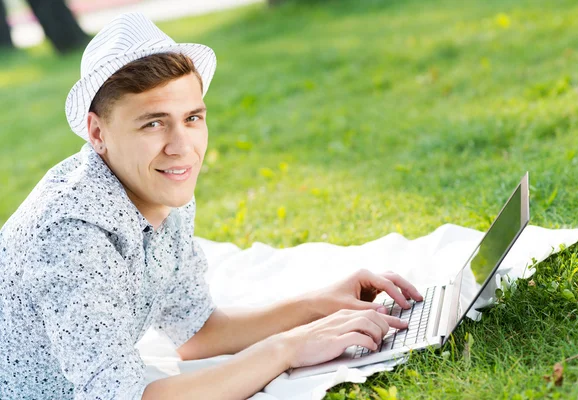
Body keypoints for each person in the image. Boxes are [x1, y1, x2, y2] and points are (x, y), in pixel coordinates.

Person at [0, 13, 422, 399]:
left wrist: (317, 305)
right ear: (97, 132)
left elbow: (196, 331)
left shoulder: (162, 186)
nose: (182, 148)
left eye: (192, 118)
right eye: (153, 123)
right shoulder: (71, 232)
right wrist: (288, 349)